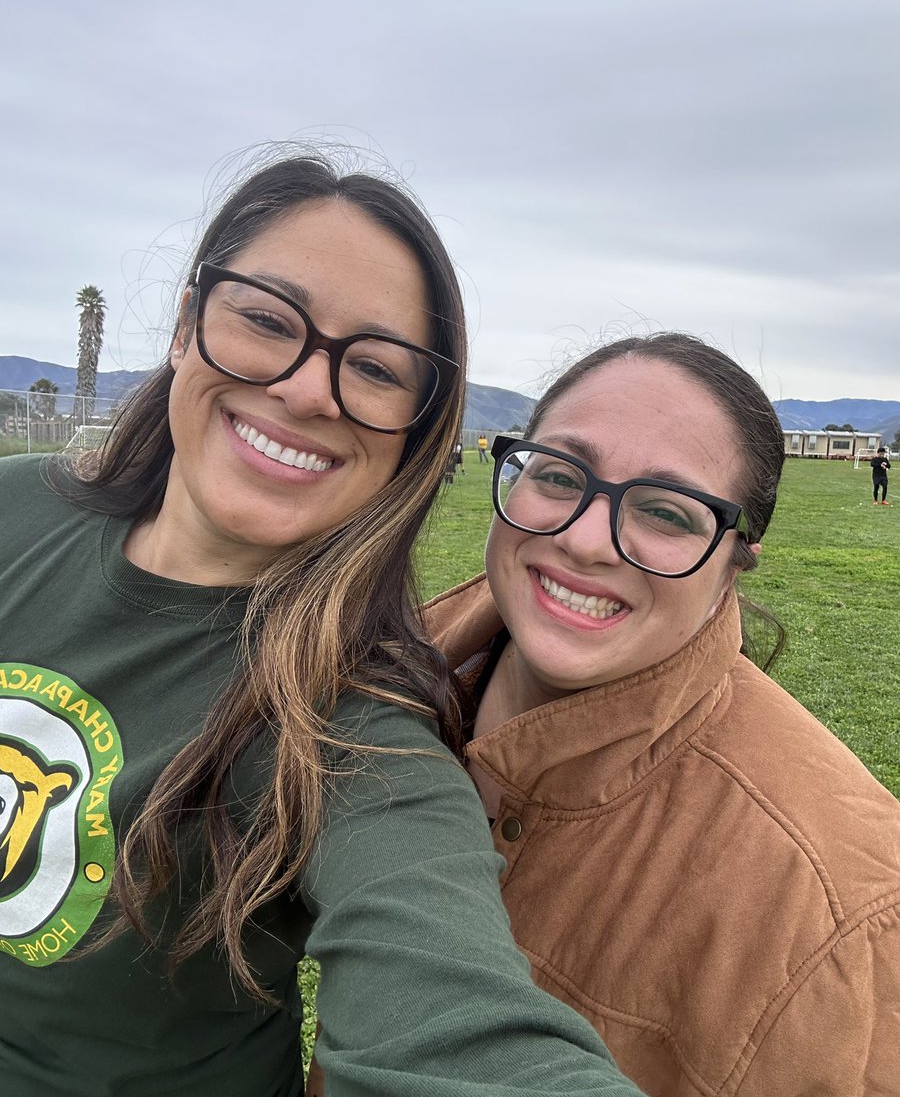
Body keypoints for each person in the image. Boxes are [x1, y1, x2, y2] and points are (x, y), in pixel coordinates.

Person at [0, 154, 647, 1097]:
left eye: (377, 368)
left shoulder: (353, 724)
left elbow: (451, 1018)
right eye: (267, 319)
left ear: (412, 434)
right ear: (187, 325)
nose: (308, 390)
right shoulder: (18, 509)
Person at [425, 333, 900, 1097]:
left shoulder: (837, 919)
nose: (582, 539)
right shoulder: (381, 678)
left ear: (736, 560)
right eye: (558, 473)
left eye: (667, 514)